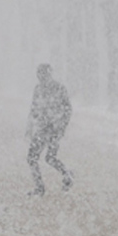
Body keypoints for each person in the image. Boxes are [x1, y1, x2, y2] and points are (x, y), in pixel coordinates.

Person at [26, 63, 73, 196]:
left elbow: (67, 109)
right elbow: (34, 109)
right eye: (39, 75)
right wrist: (30, 126)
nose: (41, 77)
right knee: (36, 158)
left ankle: (65, 175)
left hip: (53, 129)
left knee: (47, 158)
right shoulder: (38, 89)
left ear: (49, 74)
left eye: (43, 74)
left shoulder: (59, 88)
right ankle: (63, 175)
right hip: (43, 128)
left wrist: (61, 126)